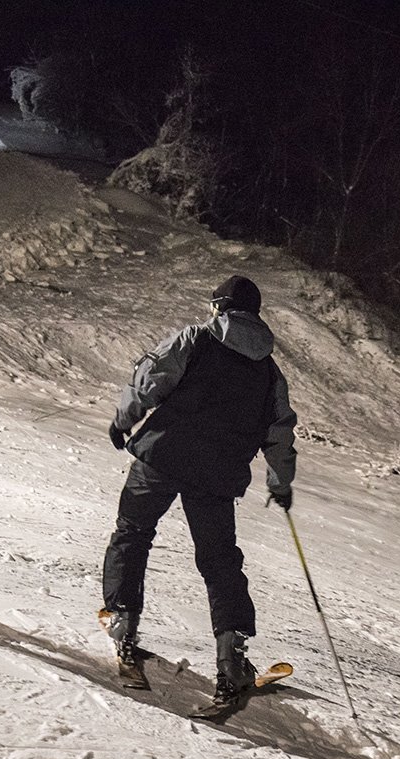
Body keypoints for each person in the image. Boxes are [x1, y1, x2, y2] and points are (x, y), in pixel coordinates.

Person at [100, 275, 297, 709]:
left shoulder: (196, 338)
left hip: (162, 456)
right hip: (216, 475)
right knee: (219, 560)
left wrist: (122, 420)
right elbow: (279, 433)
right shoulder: (269, 373)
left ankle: (123, 627)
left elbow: (151, 378)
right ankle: (231, 662)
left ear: (219, 307)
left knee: (132, 534)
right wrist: (280, 483)